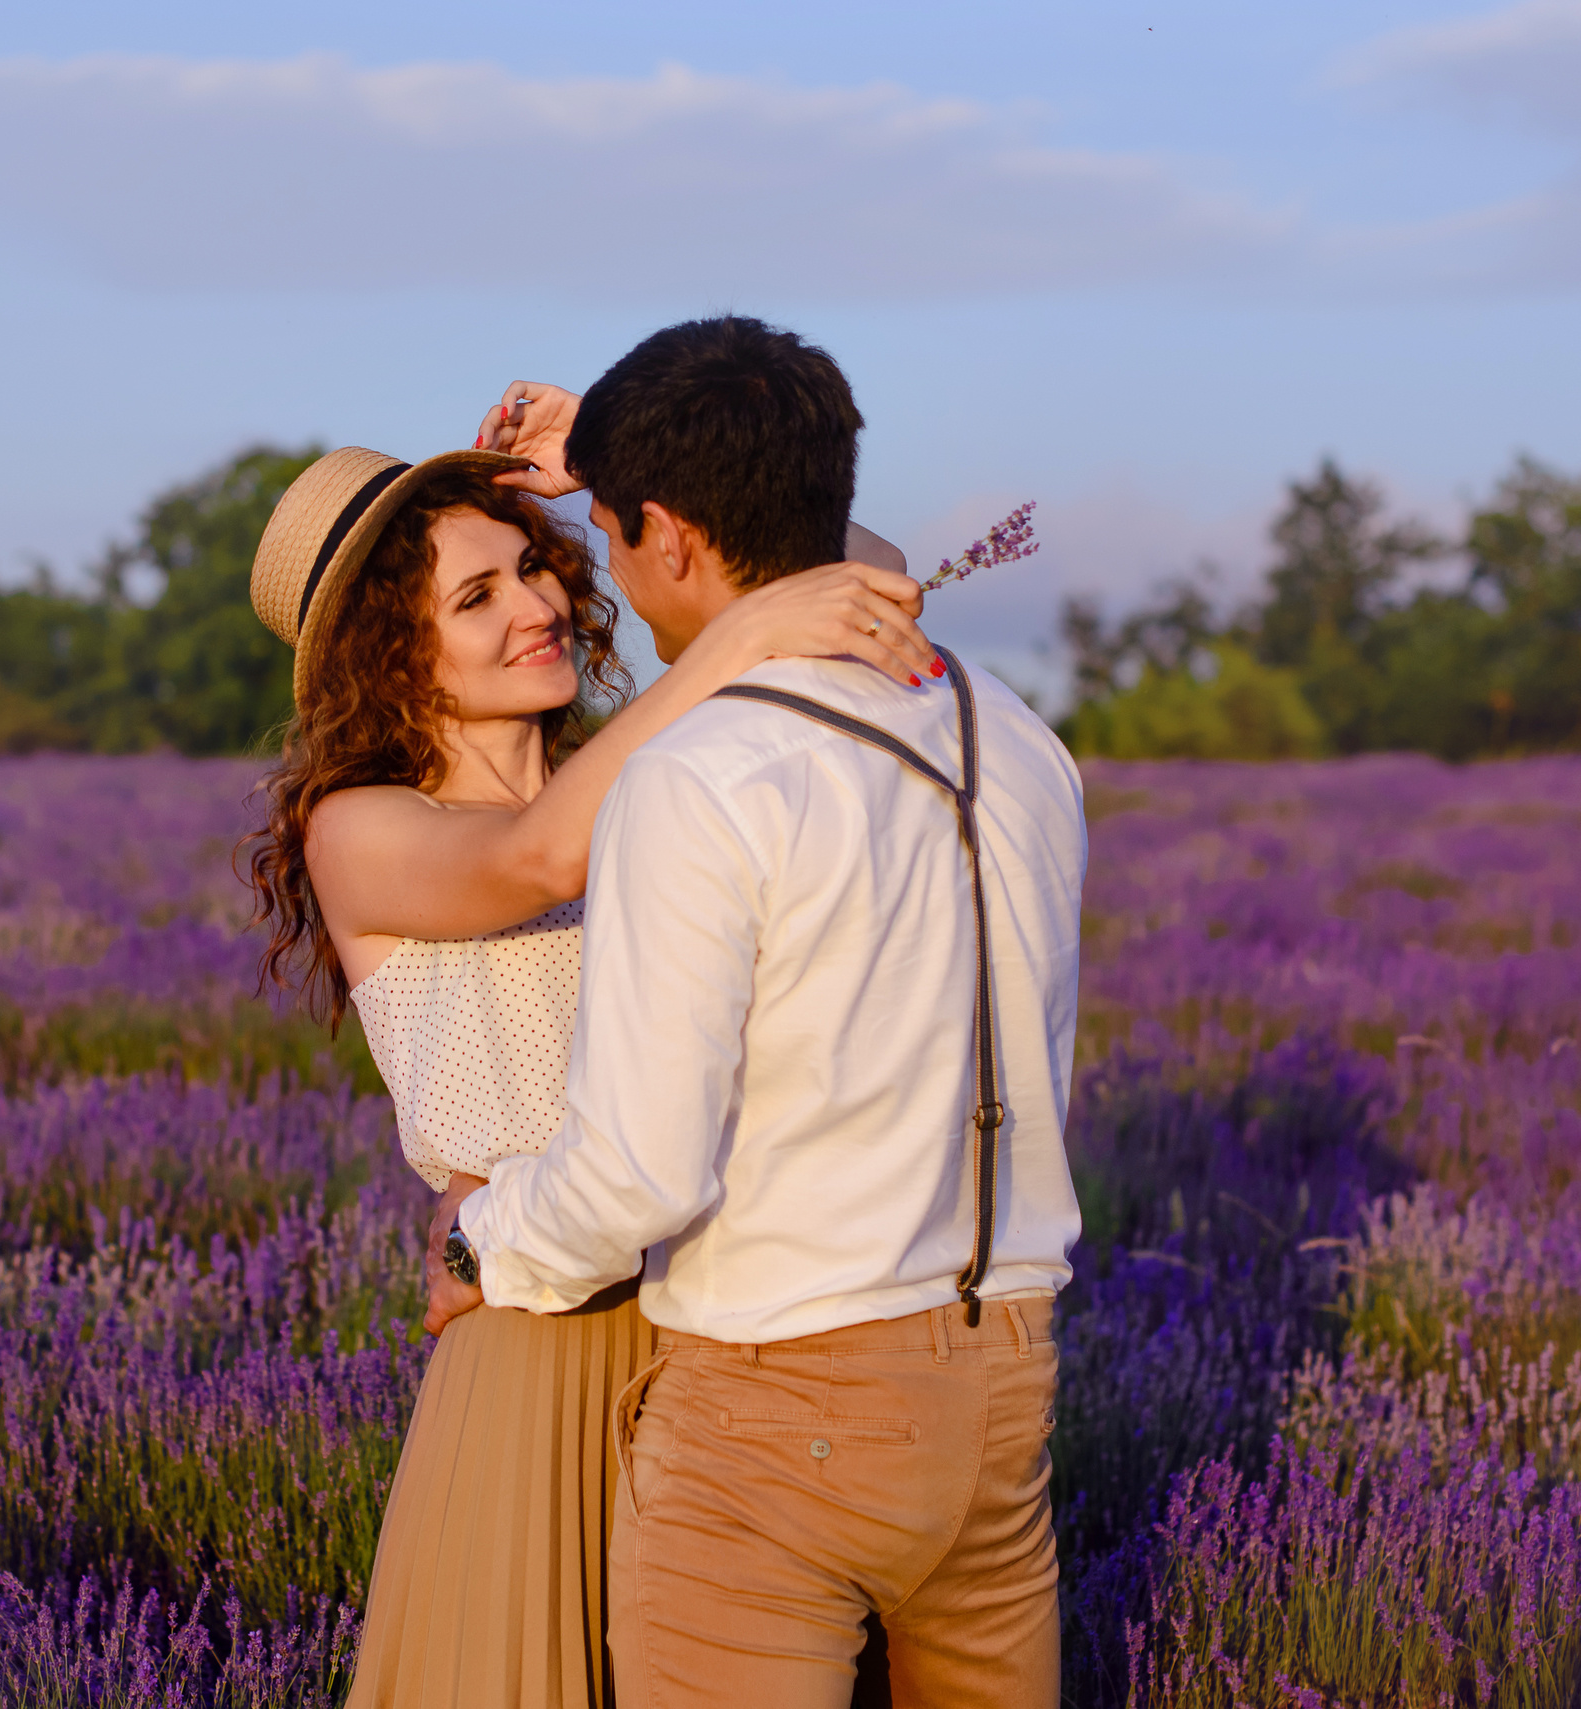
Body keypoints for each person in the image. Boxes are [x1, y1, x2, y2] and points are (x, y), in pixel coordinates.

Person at [425, 316, 1089, 1707]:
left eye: (607, 532)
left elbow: (639, 1169)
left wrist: (485, 1240)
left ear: (665, 533)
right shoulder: (1017, 733)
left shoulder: (703, 775)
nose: (604, 568)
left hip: (777, 1408)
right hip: (1006, 1388)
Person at [240, 426, 940, 1708]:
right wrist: (730, 641)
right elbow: (533, 862)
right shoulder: (363, 825)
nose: (539, 602)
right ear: (390, 656)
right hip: (543, 1352)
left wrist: (633, 458)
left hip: (738, 1332)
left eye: (532, 565)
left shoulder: (648, 780)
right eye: (476, 594)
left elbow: (872, 579)